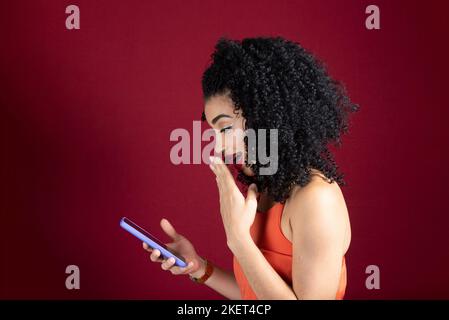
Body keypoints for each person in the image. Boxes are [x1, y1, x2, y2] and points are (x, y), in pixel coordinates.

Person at [143, 36, 359, 299]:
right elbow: (255, 294)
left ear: (267, 116)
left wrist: (239, 241)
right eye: (214, 131)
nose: (220, 146)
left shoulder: (316, 199)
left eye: (225, 128)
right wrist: (200, 268)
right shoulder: (267, 190)